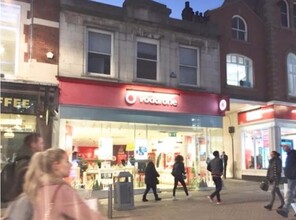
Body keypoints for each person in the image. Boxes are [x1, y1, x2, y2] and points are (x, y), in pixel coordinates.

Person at [24, 148, 104, 220]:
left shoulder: (40, 187)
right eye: (67, 161)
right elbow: (89, 216)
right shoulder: (61, 190)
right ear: (56, 165)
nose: (71, 164)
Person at [10, 133, 44, 201]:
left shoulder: (24, 159)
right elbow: (24, 183)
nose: (43, 146)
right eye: (41, 143)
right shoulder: (26, 162)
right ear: (33, 145)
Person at [277, 145, 296, 218]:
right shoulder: (290, 155)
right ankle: (285, 209)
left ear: (289, 148)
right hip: (291, 176)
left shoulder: (293, 154)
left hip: (293, 176)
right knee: (292, 193)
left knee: (290, 192)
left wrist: (292, 173)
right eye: (283, 147)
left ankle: (285, 210)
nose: (283, 148)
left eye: (285, 147)